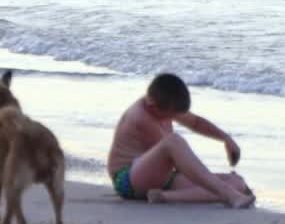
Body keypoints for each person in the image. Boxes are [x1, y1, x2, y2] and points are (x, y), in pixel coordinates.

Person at [106, 72, 254, 207]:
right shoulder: (140, 118)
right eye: (169, 115)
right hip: (128, 179)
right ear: (153, 106)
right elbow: (175, 160)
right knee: (173, 141)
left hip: (161, 177)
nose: (172, 118)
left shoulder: (163, 103)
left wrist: (226, 139)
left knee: (237, 182)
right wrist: (210, 180)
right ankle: (231, 196)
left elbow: (195, 122)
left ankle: (165, 197)